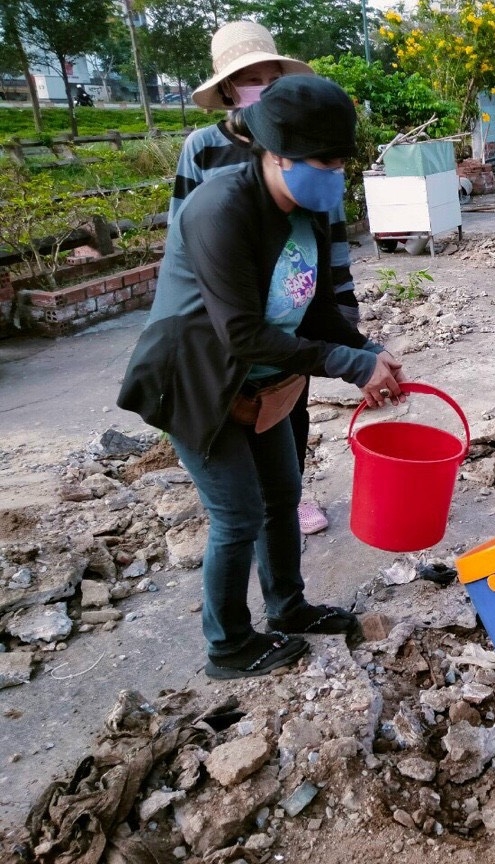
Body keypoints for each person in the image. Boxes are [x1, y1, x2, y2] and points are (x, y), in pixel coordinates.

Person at [118, 76, 406, 680]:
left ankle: (288, 607)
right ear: (276, 153)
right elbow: (241, 333)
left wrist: (368, 349)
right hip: (199, 382)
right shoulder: (220, 208)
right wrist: (348, 366)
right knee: (237, 514)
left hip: (267, 383)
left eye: (339, 162)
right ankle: (227, 646)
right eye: (322, 162)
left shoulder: (307, 210)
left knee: (283, 498)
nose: (334, 174)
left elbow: (318, 307)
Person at [172, 21, 348, 536]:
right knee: (233, 412)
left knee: (288, 409)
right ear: (228, 89)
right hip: (232, 313)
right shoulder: (203, 150)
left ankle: (289, 496)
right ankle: (238, 505)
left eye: (268, 77)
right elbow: (182, 239)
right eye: (247, 79)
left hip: (293, 302)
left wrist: (342, 316)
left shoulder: (305, 139)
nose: (259, 88)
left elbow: (327, 235)